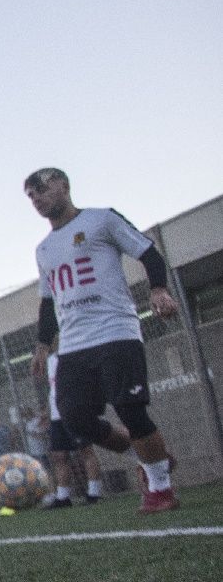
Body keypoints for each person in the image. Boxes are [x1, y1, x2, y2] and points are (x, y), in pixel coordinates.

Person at [25, 168, 181, 514]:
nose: (37, 198)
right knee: (74, 417)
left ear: (65, 186)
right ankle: (149, 457)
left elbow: (148, 252)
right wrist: (41, 344)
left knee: (131, 410)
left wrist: (158, 288)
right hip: (74, 344)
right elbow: (48, 300)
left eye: (42, 189)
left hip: (115, 332)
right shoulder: (44, 249)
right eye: (31, 195)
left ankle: (160, 489)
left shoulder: (101, 220)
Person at [43, 345, 105, 507]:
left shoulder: (72, 354)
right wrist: (48, 414)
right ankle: (63, 497)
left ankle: (94, 493)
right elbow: (53, 389)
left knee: (85, 450)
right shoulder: (49, 360)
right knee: (59, 455)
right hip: (57, 416)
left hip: (74, 410)